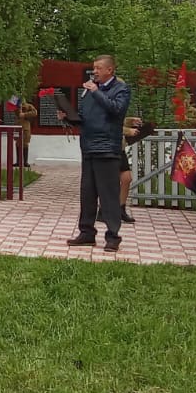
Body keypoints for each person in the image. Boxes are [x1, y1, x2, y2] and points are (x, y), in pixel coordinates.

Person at [66, 55, 131, 252]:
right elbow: (84, 118)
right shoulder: (89, 91)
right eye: (93, 68)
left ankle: (112, 236)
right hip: (88, 148)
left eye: (98, 68)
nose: (94, 71)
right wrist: (67, 117)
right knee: (87, 194)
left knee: (108, 195)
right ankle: (86, 233)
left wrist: (96, 92)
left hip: (107, 149)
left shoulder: (120, 89)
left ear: (110, 70)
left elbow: (116, 110)